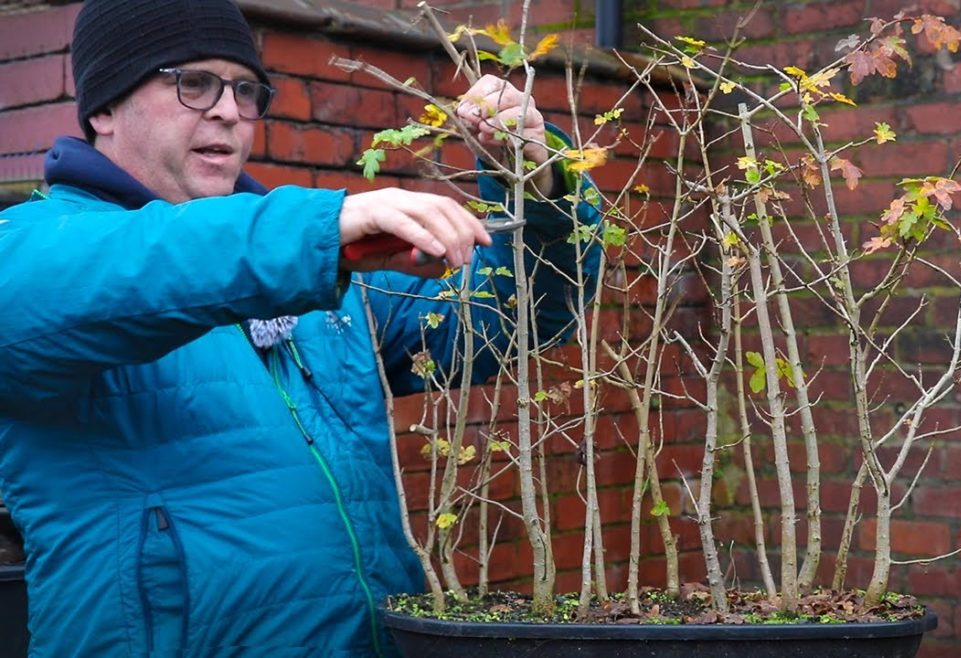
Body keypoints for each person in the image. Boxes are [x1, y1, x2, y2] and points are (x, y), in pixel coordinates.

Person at [0, 0, 601, 656]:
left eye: (244, 89)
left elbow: (515, 317)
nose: (228, 110)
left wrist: (540, 186)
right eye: (193, 84)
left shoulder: (320, 273)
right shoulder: (32, 246)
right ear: (104, 109)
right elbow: (127, 269)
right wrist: (318, 230)